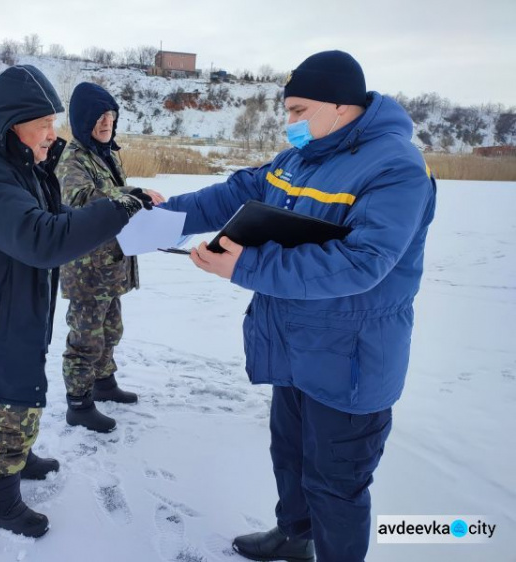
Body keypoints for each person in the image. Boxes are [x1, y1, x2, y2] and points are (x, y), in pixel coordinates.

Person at [162, 51, 436, 562]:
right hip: (294, 347)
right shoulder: (298, 158)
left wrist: (245, 267)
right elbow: (231, 195)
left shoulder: (397, 166)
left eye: (298, 110)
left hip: (350, 361)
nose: (288, 124)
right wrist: (158, 216)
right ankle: (294, 537)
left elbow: (363, 263)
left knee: (337, 486)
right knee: (290, 458)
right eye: (285, 112)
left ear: (341, 106)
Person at [0, 65, 152, 538]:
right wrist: (117, 207)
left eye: (55, 124)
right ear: (14, 123)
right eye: (45, 126)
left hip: (10, 299)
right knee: (9, 392)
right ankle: (1, 498)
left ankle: (21, 455)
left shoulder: (16, 160)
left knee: (18, 388)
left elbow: (51, 213)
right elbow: (42, 237)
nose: (54, 136)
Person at [58, 82, 165, 433]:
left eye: (111, 116)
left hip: (112, 265)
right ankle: (79, 403)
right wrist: (134, 193)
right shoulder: (72, 158)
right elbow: (81, 198)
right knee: (85, 339)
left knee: (110, 330)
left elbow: (115, 201)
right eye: (98, 117)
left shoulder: (106, 154)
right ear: (81, 119)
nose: (106, 123)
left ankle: (104, 385)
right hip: (86, 270)